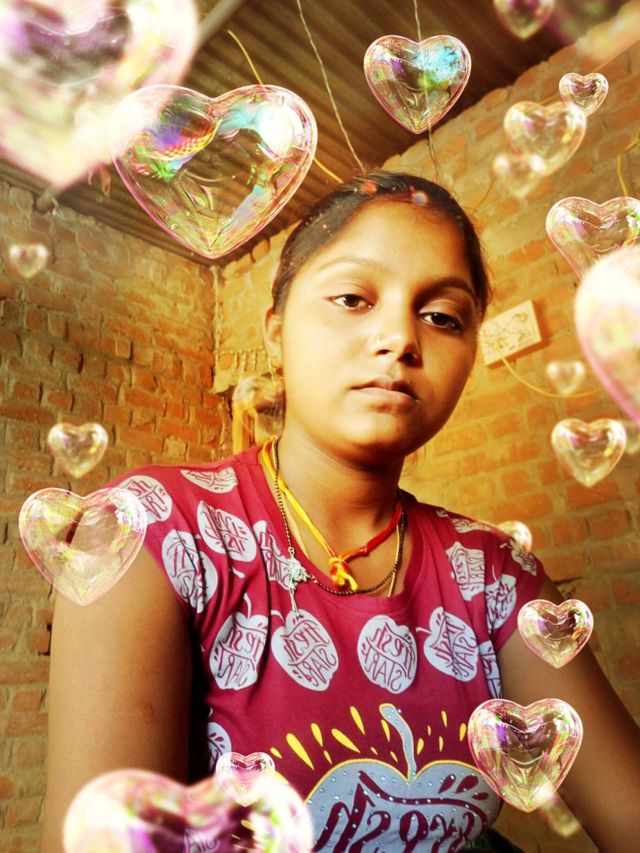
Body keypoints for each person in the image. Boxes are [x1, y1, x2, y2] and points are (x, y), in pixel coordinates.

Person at [43, 172, 640, 851]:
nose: (400, 337)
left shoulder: (496, 575)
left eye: (443, 316)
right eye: (353, 298)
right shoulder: (150, 530)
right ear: (276, 331)